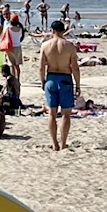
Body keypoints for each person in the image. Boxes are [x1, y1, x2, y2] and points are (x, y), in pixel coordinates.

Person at [38, 20, 80, 151]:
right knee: (66, 114)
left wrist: (42, 81)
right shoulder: (69, 46)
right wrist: (78, 84)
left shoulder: (45, 45)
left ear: (52, 30)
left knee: (52, 113)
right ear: (63, 31)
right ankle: (63, 143)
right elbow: (75, 67)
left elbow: (41, 67)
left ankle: (54, 143)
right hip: (65, 78)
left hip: (51, 78)